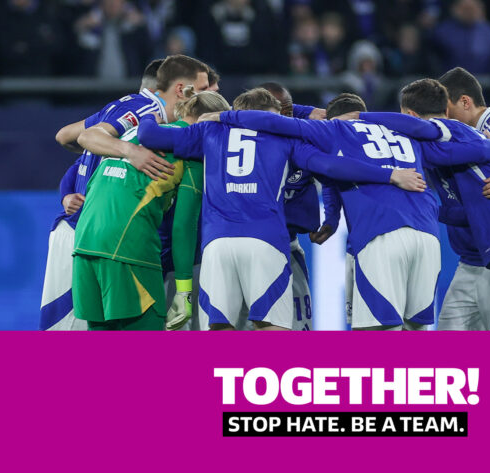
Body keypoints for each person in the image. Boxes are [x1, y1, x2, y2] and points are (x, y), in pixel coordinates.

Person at [202, 92, 490, 330]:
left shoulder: (334, 130)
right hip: (427, 236)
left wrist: (224, 116)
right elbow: (457, 152)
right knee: (416, 328)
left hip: (381, 234)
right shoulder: (404, 132)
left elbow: (273, 122)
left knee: (375, 333)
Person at [138, 88, 429, 331]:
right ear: (271, 116)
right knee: (272, 328)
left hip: (218, 243)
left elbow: (150, 136)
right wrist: (389, 175)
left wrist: (151, 115)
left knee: (220, 328)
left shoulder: (208, 130)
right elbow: (330, 166)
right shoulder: (284, 138)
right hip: (267, 241)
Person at [357, 78, 490, 331]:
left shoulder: (450, 129)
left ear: (411, 116)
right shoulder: (457, 143)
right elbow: (467, 208)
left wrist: (358, 117)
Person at [39, 55, 214, 331]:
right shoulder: (143, 109)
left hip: (87, 233)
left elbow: (66, 136)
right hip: (99, 235)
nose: (207, 96)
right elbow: (86, 137)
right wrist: (131, 152)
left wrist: (70, 190)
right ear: (181, 89)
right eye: (203, 89)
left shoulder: (127, 116)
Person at [71, 88, 224, 330]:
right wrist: (184, 291)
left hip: (84, 243)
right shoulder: (191, 150)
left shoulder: (130, 133)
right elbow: (183, 226)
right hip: (127, 246)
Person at [259, 82, 336, 331]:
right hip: (254, 245)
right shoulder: (236, 138)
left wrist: (332, 217)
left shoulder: (303, 140)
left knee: (299, 324)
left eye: (290, 111)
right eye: (281, 112)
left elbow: (331, 171)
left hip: (290, 246)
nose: (287, 118)